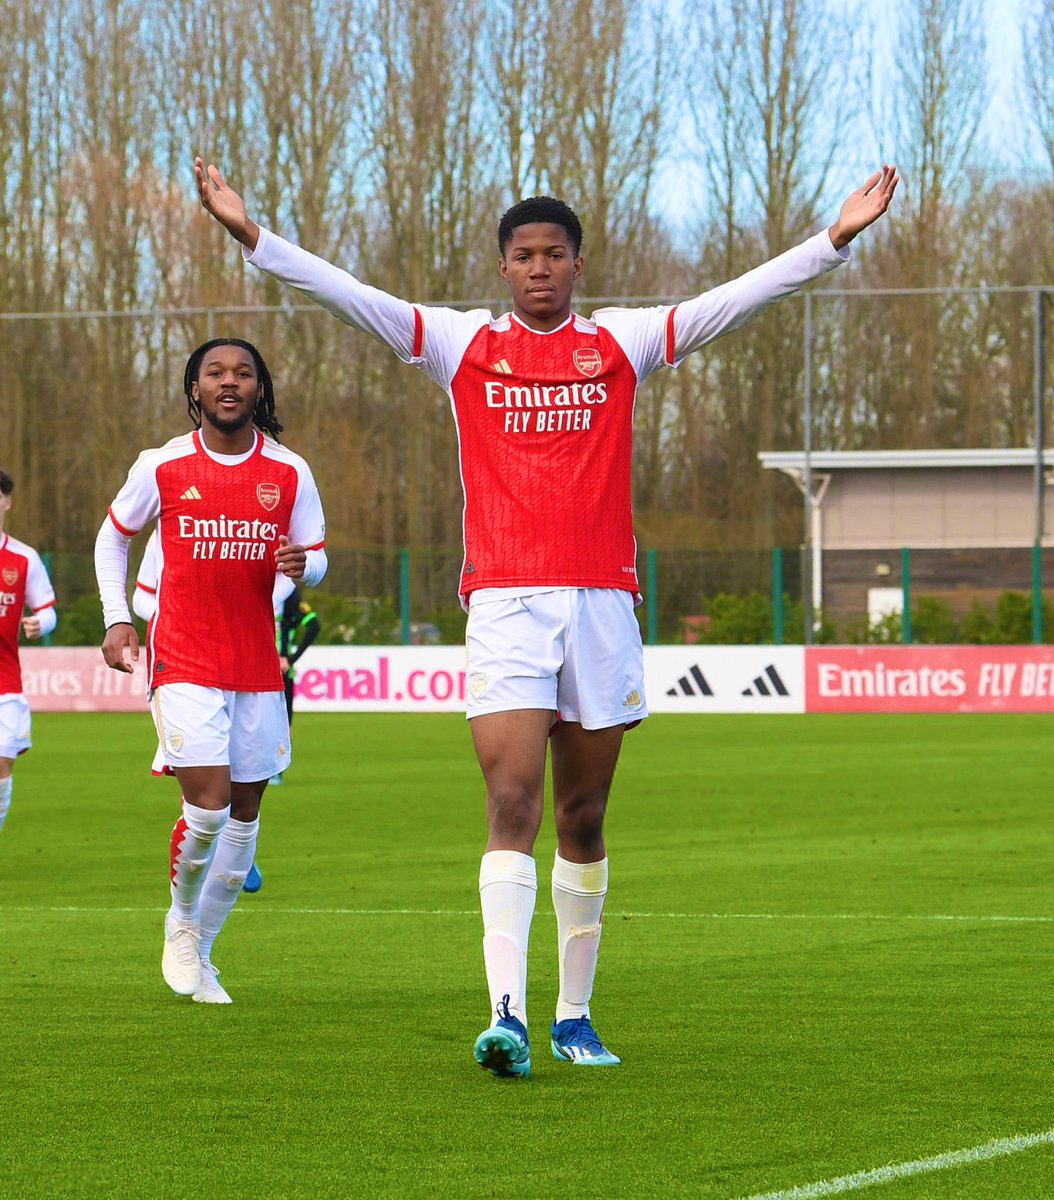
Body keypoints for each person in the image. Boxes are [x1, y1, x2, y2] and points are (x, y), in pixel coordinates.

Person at [195, 156, 898, 1073]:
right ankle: (508, 1015)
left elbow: (738, 298)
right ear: (503, 268)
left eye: (554, 254)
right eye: (523, 255)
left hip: (603, 602)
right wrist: (255, 238)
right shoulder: (460, 346)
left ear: (577, 265)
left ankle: (575, 1014)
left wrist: (832, 240)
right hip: (505, 601)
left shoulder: (624, 342)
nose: (539, 268)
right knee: (511, 798)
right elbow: (348, 294)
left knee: (584, 815)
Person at [95, 338, 327, 1003]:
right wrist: (118, 617)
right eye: (215, 374)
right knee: (209, 804)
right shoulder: (162, 465)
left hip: (256, 662)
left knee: (246, 817)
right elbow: (114, 535)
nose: (230, 382)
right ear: (194, 390)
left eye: (243, 373)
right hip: (183, 657)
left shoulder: (289, 472)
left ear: (260, 389)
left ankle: (204, 947)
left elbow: (316, 555)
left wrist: (301, 567)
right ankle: (180, 923)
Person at [132, 527, 297, 891]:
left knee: (244, 780)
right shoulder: (168, 529)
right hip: (190, 662)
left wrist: (258, 602)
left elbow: (291, 578)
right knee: (202, 769)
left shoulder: (259, 525)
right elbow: (142, 598)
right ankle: (202, 876)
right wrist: (184, 613)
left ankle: (236, 847)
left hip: (249, 659)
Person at [0, 469, 58, 836]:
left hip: (6, 684)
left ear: (6, 502)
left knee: (2, 766)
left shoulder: (23, 558)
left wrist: (43, 623)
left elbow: (48, 608)